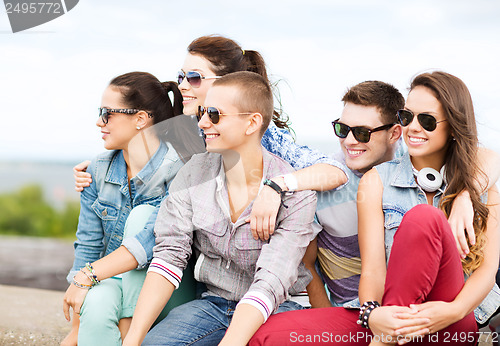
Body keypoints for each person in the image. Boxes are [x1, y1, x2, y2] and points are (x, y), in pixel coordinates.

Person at [249, 72, 500, 345]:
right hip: (386, 315)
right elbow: (372, 270)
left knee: (425, 217)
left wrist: (454, 310)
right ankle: (386, 337)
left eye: (426, 121)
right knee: (266, 334)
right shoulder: (377, 180)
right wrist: (372, 313)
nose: (413, 128)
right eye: (407, 117)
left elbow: (487, 271)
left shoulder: (482, 185)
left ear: (452, 126)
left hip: (449, 319)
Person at [73, 35, 349, 242]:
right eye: (181, 76)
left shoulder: (263, 135)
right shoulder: (183, 128)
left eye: (194, 77)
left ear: (227, 82)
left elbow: (334, 171)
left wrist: (276, 186)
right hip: (189, 252)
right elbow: (141, 159)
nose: (182, 85)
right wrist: (96, 172)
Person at [121, 71, 318, 346]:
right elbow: (169, 256)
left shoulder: (297, 194)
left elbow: (272, 281)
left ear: (252, 122)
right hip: (215, 305)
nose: (201, 122)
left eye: (214, 114)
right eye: (202, 112)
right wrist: (133, 340)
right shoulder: (192, 173)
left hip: (275, 308)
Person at [61, 72, 204, 346]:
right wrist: (76, 327)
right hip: (114, 282)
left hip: (168, 287)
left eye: (107, 113)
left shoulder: (180, 170)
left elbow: (148, 242)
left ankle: (130, 333)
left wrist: (87, 280)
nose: (99, 121)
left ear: (140, 119)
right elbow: (89, 245)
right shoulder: (97, 170)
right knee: (98, 303)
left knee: (141, 218)